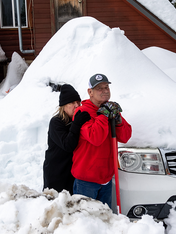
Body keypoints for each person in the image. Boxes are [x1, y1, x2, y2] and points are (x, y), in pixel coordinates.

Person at [71, 74, 132, 207]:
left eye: (106, 87)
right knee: (86, 219)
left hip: (106, 177)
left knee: (105, 219)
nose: (104, 90)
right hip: (86, 179)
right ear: (90, 92)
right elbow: (95, 138)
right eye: (99, 88)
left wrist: (119, 120)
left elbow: (125, 137)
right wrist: (103, 115)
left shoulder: (110, 109)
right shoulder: (82, 112)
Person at [43, 84, 91, 193]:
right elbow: (68, 145)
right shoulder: (56, 122)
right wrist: (76, 124)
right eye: (72, 103)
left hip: (72, 171)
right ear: (63, 106)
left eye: (77, 102)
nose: (76, 105)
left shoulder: (77, 120)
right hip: (56, 171)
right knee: (55, 205)